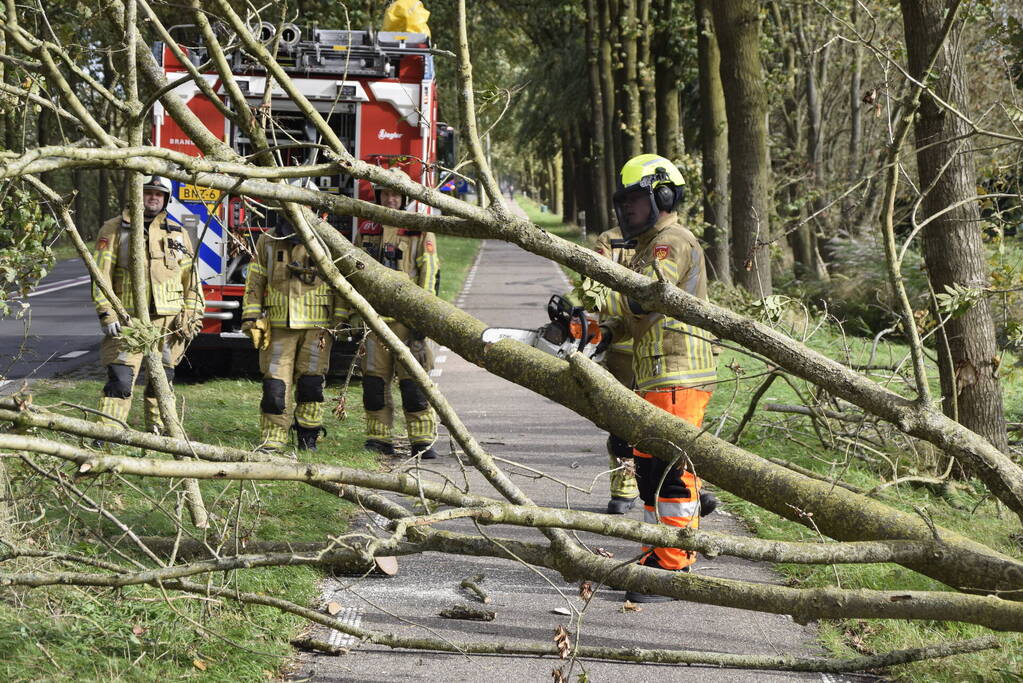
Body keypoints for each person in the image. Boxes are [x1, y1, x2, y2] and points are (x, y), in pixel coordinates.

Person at [599, 154, 718, 603]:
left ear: (662, 195)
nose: (626, 209)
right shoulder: (651, 243)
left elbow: (647, 298)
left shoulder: (671, 243)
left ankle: (674, 564)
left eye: (634, 199)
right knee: (650, 469)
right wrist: (597, 329)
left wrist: (602, 289)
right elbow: (633, 317)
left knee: (671, 473)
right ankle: (657, 551)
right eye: (623, 201)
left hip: (678, 372)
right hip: (657, 375)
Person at [92, 175, 205, 434]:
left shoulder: (177, 233)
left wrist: (192, 313)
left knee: (162, 383)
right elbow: (100, 277)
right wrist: (107, 314)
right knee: (120, 380)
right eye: (148, 192)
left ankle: (160, 435)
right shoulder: (113, 229)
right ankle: (105, 435)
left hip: (168, 325)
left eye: (159, 194)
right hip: (129, 323)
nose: (153, 197)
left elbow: (192, 280)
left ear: (166, 199)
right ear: (136, 194)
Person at [240, 199, 348, 452]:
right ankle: (273, 438)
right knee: (274, 386)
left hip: (317, 328)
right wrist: (251, 317)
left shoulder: (328, 241)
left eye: (302, 206)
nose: (295, 212)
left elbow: (341, 284)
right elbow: (255, 281)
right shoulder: (268, 240)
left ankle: (308, 436)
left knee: (311, 385)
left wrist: (341, 321)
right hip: (278, 327)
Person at [354, 186, 440, 459]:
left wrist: (421, 316)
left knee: (414, 385)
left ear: (404, 199)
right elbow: (353, 269)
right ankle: (378, 439)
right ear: (378, 197)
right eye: (385, 195)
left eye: (396, 195)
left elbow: (429, 272)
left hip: (407, 320)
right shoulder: (366, 229)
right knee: (374, 385)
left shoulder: (419, 228)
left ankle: (422, 441)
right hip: (375, 320)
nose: (390, 200)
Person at [592, 227, 640, 514]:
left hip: (664, 352)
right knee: (621, 420)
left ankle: (684, 483)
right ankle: (625, 481)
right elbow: (595, 289)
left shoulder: (671, 240)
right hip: (620, 347)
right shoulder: (610, 241)